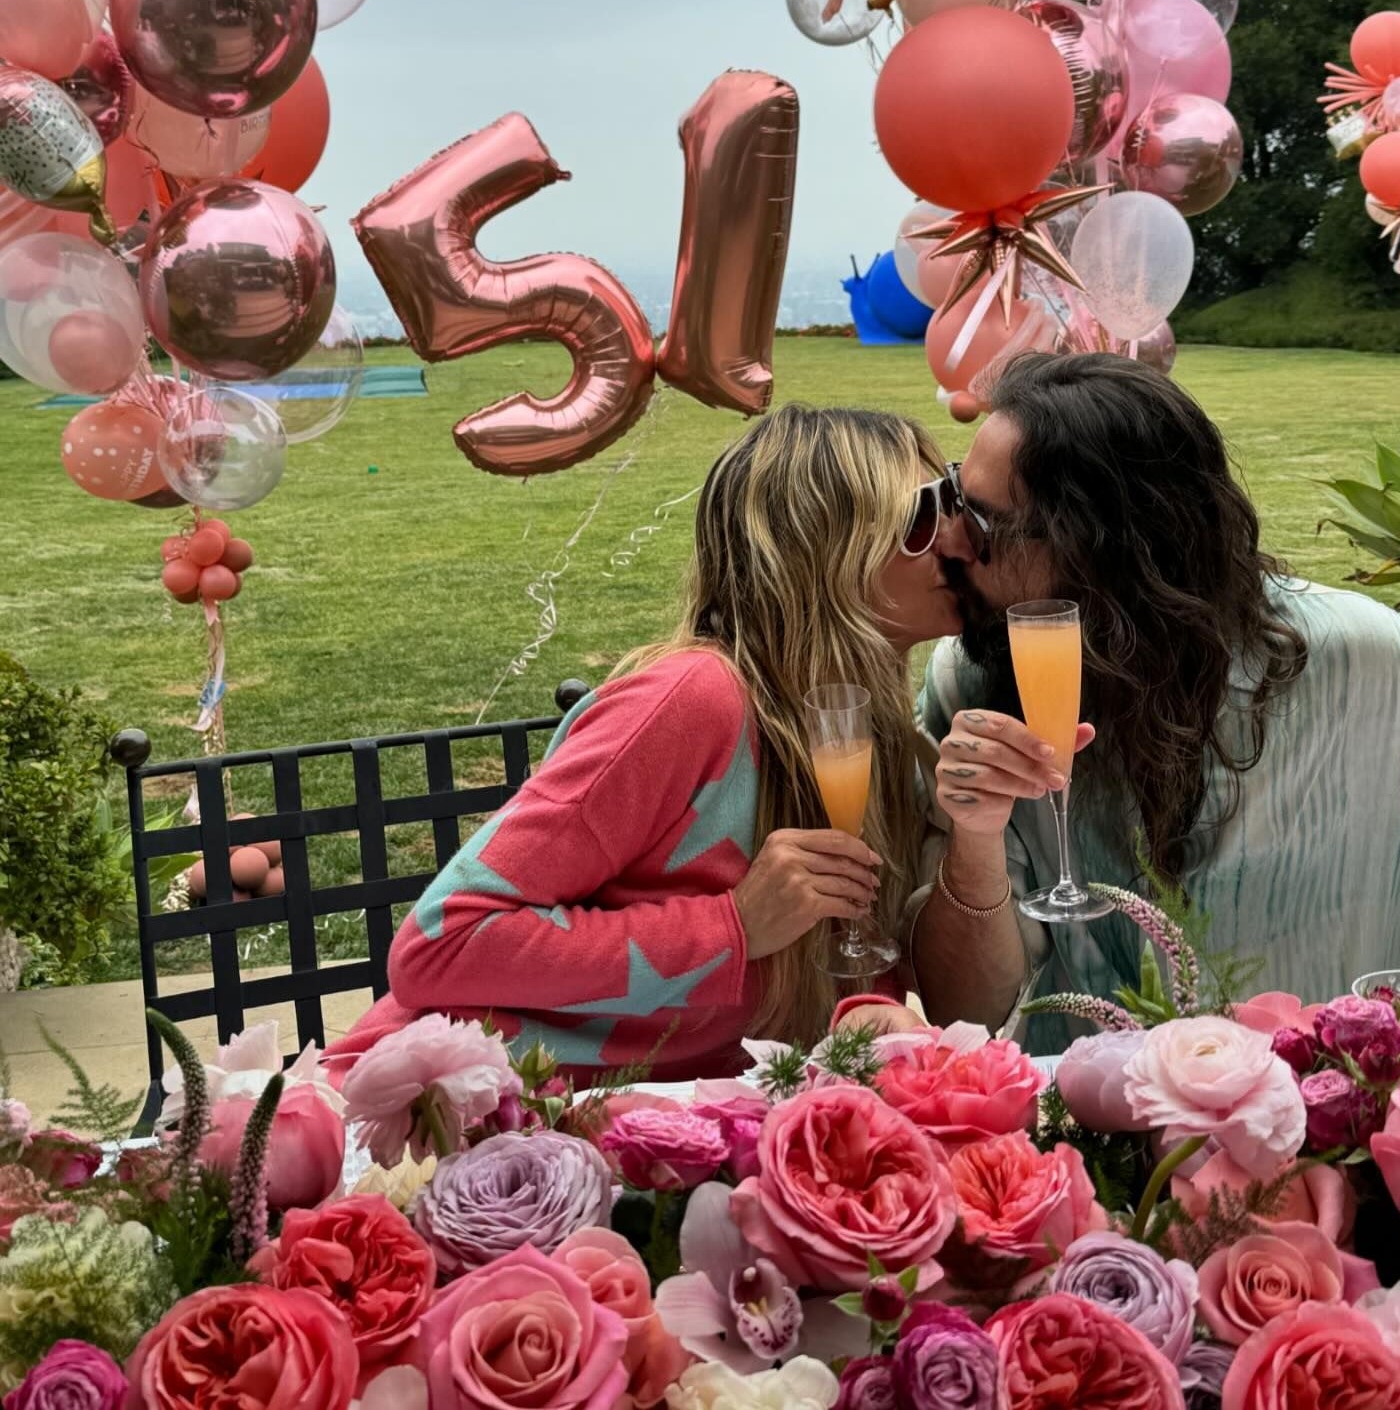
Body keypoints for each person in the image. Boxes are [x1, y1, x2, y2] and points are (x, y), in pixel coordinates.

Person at [326, 404, 957, 1085]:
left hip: (657, 1126)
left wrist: (868, 1005)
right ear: (826, 550)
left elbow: (830, 951)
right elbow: (441, 941)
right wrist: (731, 928)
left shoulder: (869, 733)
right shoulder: (693, 702)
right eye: (924, 516)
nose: (959, 537)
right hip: (444, 1107)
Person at [906, 351, 1400, 1054]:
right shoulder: (974, 688)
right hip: (1085, 1115)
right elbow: (967, 1011)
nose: (944, 540)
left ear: (1105, 551)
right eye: (953, 496)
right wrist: (975, 838)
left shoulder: (1395, 672)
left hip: (1331, 1108)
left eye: (981, 523)